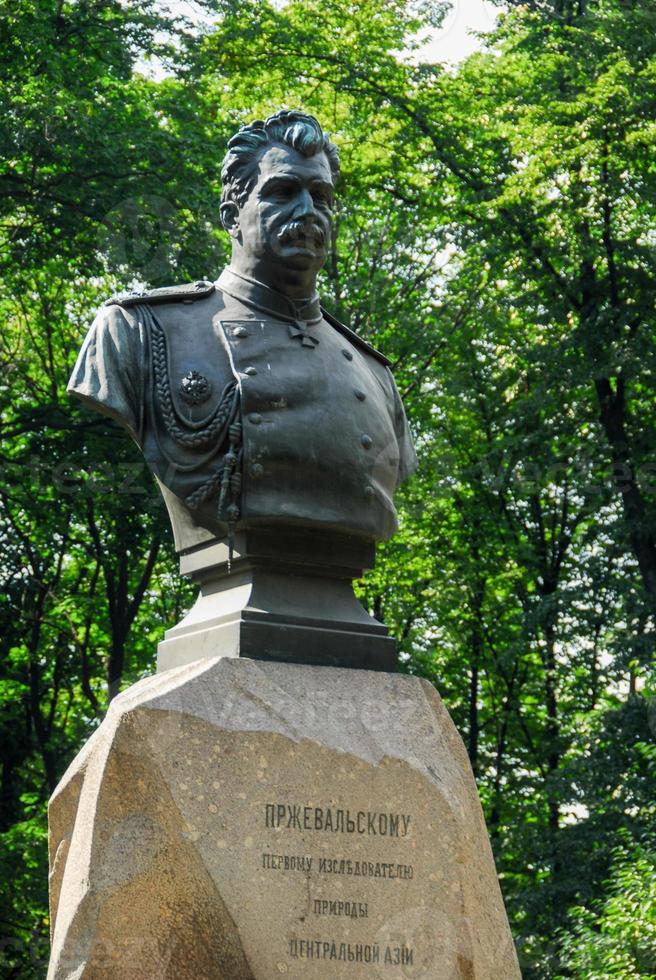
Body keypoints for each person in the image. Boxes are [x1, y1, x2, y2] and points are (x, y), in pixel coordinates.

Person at [68, 110, 416, 553]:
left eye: (322, 196)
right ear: (233, 215)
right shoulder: (139, 329)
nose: (308, 211)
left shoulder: (374, 373)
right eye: (284, 192)